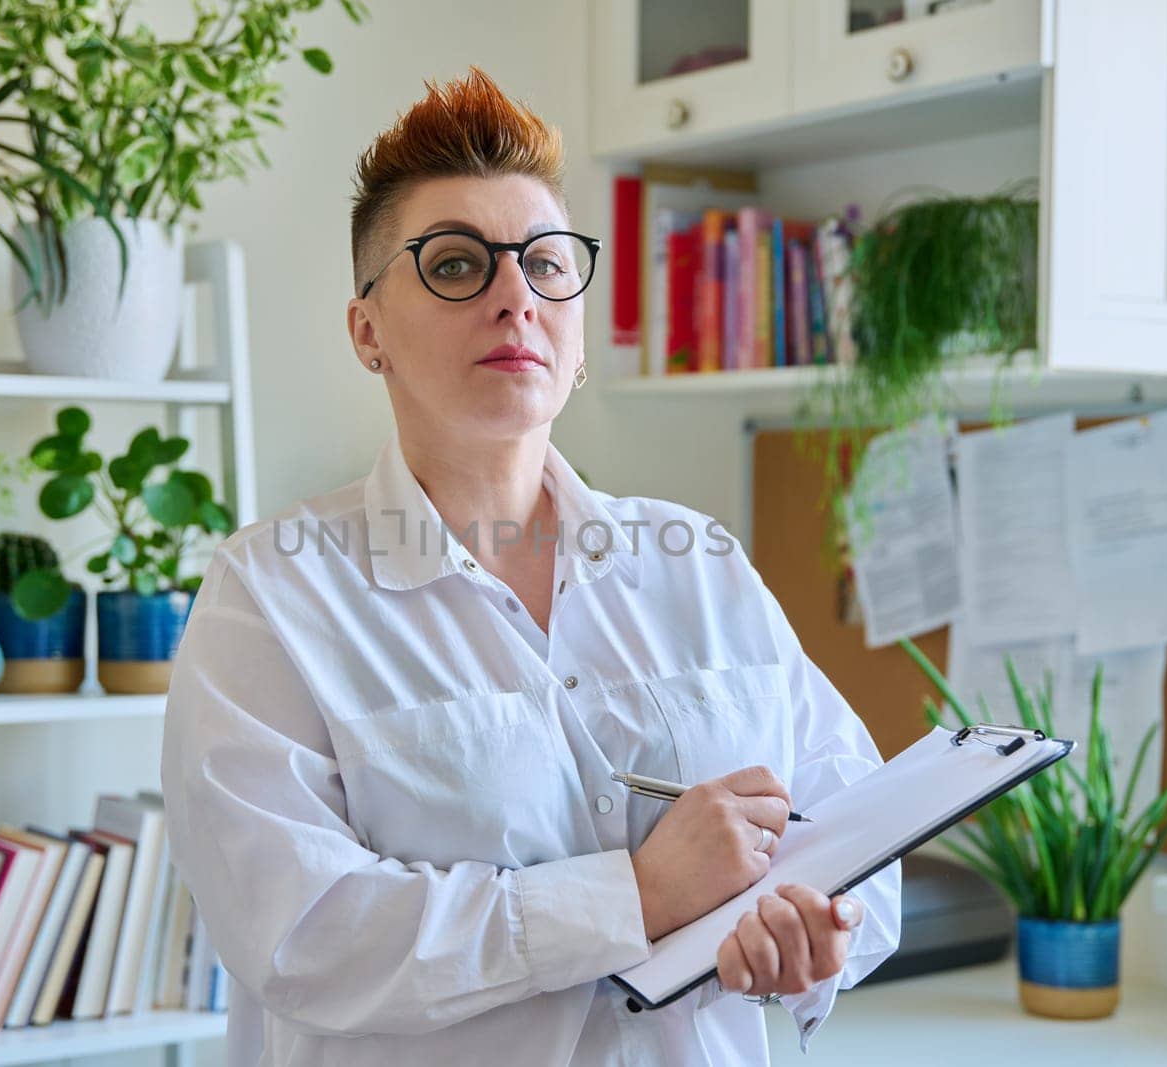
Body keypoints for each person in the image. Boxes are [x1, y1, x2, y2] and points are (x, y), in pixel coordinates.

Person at [160, 66, 900, 1066]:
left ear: (580, 334)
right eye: (457, 265)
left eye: (548, 265)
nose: (516, 295)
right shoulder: (271, 596)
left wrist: (818, 931)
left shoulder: (704, 565)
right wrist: (631, 896)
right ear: (366, 331)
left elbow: (861, 834)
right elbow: (304, 933)